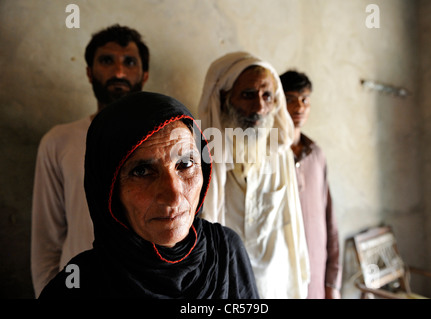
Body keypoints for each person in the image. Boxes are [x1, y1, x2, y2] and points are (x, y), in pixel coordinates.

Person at [38, 91, 259, 299]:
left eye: (186, 164)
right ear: (109, 190)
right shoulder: (79, 284)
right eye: (142, 171)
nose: (174, 196)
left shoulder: (225, 250)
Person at [31, 24, 150, 297]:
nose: (118, 72)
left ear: (144, 75)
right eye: (107, 61)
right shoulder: (58, 141)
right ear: (89, 72)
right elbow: (46, 240)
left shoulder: (166, 144)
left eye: (129, 62)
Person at [197, 51, 310, 299]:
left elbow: (292, 228)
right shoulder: (199, 156)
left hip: (274, 287)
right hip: (222, 288)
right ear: (224, 98)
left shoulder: (279, 153)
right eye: (248, 95)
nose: (259, 107)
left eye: (267, 96)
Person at [279, 70, 341, 299]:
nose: (299, 106)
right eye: (290, 99)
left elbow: (330, 219)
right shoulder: (267, 155)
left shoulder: (316, 155)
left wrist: (333, 283)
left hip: (316, 277)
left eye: (305, 100)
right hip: (280, 279)